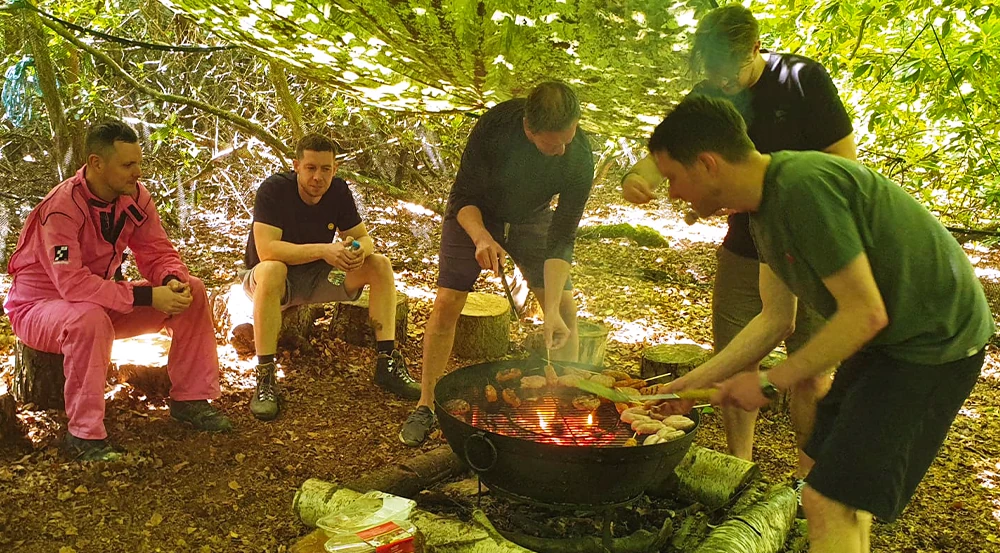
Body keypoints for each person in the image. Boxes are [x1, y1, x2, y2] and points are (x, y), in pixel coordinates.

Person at [644, 95, 992, 553]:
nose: (673, 194)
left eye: (673, 177)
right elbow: (774, 321)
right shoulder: (760, 214)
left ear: (707, 163)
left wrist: (770, 383)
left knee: (828, 498)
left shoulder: (803, 188)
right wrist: (683, 387)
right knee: (822, 470)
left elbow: (865, 312)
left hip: (933, 342)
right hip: (888, 339)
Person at [621, 5, 856, 490]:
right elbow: (665, 149)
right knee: (734, 358)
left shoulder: (802, 81)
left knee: (811, 369)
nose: (722, 83)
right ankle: (740, 469)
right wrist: (638, 178)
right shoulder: (708, 92)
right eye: (712, 74)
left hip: (811, 243)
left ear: (754, 48)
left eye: (729, 73)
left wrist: (768, 194)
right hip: (746, 245)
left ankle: (808, 479)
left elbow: (844, 165)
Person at [4, 120, 232, 462]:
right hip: (39, 307)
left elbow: (156, 249)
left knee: (194, 292)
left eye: (138, 163)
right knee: (88, 320)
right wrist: (146, 297)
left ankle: (191, 400)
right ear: (97, 163)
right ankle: (84, 435)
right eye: (128, 165)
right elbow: (71, 283)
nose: (137, 172)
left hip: (98, 300)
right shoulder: (62, 208)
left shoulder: (134, 197)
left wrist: (171, 279)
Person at [398, 81, 595, 447]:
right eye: (554, 143)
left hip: (533, 217)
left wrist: (549, 308)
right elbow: (464, 197)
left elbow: (562, 236)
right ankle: (426, 405)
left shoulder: (579, 154)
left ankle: (563, 402)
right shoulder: (495, 128)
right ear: (528, 129)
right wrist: (482, 238)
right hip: (477, 213)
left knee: (564, 308)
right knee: (447, 301)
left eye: (569, 137)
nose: (563, 149)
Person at [241, 133, 420, 420]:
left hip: (321, 278)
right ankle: (265, 375)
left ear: (335, 169)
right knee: (274, 268)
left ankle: (387, 361)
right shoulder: (274, 190)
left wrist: (356, 251)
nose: (318, 177)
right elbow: (267, 250)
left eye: (326, 169)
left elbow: (363, 238)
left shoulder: (338, 191)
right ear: (296, 165)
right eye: (311, 168)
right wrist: (325, 250)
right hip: (271, 281)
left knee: (380, 265)